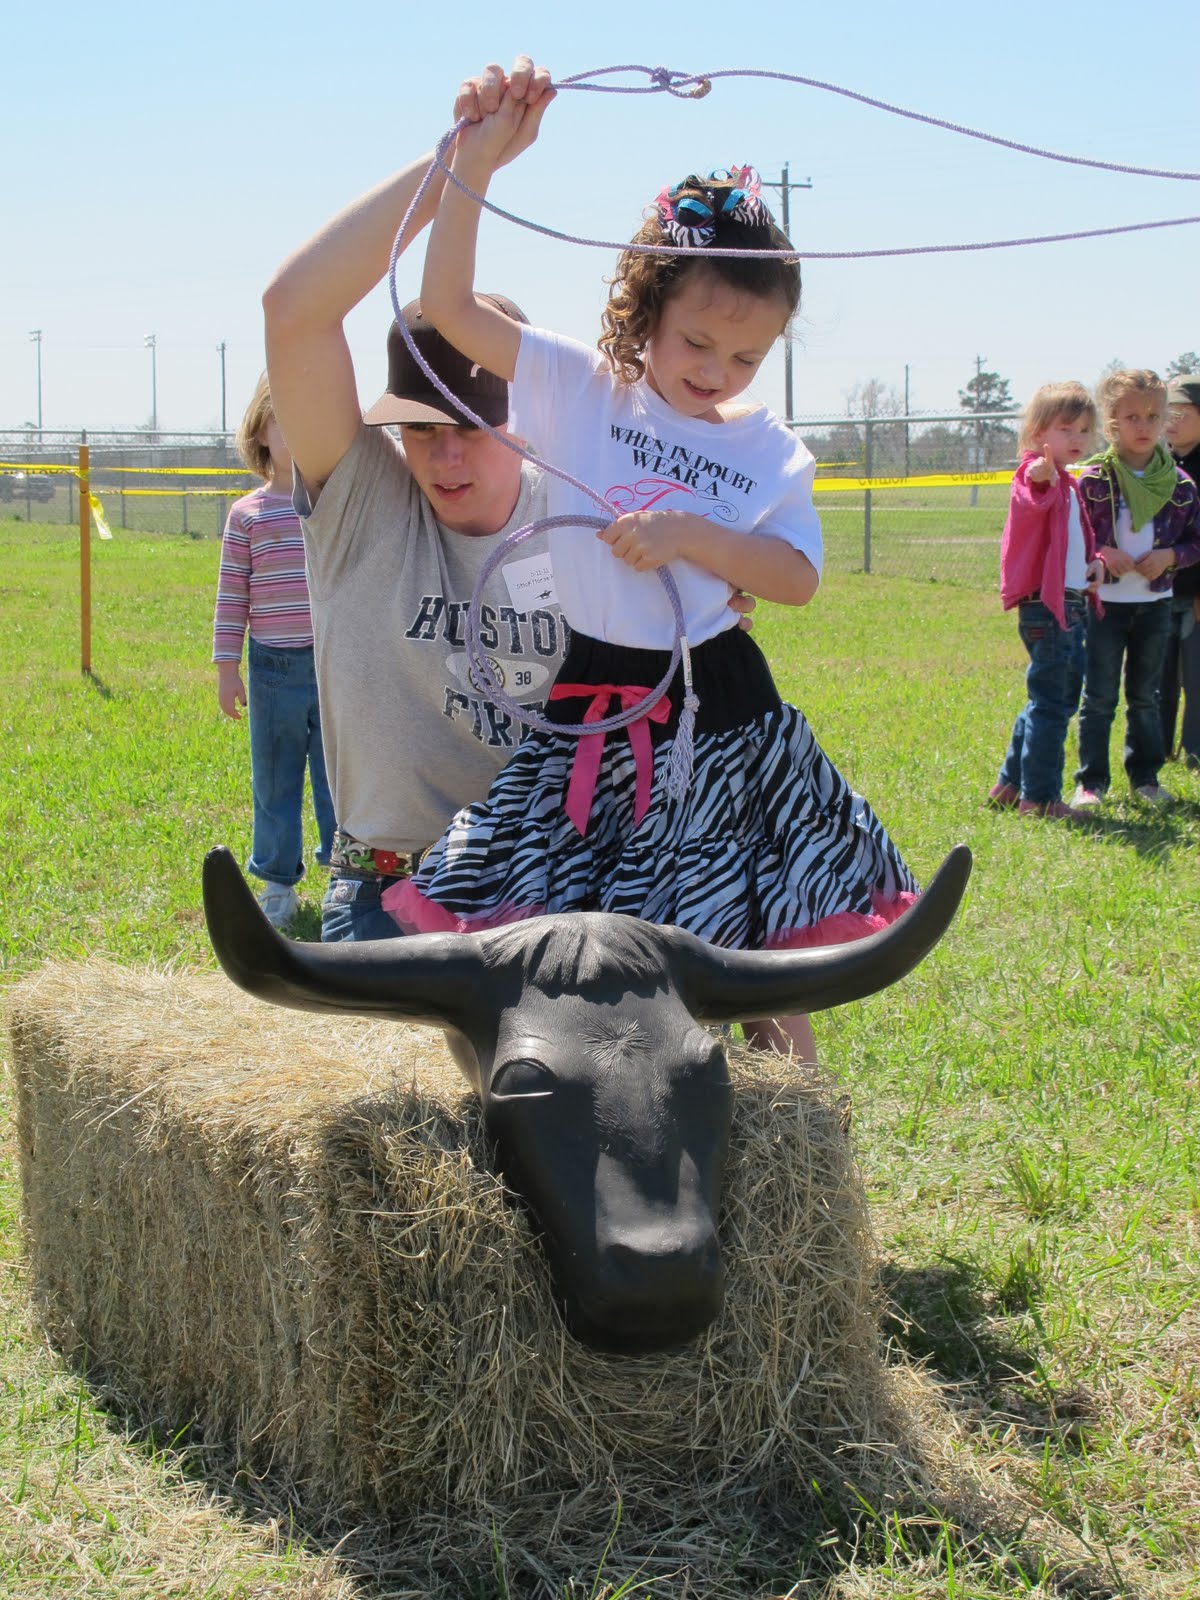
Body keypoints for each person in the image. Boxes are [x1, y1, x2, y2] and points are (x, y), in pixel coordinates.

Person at [385, 67, 919, 1062]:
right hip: (593, 698)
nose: (716, 372)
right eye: (697, 342)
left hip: (720, 710)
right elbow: (447, 304)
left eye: (746, 357)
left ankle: (803, 1131)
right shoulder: (584, 388)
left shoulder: (766, 448)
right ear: (647, 307)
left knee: (751, 943)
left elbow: (797, 577)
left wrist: (690, 536)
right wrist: (474, 166)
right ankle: (555, 1108)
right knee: (529, 932)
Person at [261, 62, 754, 945]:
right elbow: (292, 308)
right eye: (419, 430)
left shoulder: (590, 514)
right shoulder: (363, 505)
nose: (443, 456)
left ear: (523, 421)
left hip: (553, 888)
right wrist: (460, 162)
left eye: (470, 428)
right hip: (389, 893)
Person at [212, 374, 335, 929]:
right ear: (261, 432)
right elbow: (231, 596)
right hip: (272, 671)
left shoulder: (331, 504)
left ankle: (347, 877)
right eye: (282, 421)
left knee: (337, 780)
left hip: (331, 667)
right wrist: (226, 669)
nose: (295, 432)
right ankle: (278, 882)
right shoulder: (248, 515)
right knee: (275, 780)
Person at [1072, 369, 1200, 808]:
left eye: (1152, 417)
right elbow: (1075, 539)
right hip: (1104, 606)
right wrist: (1101, 552)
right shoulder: (1091, 480)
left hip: (1155, 604)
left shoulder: (1181, 486)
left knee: (1146, 697)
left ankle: (1145, 779)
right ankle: (1091, 783)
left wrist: (1170, 557)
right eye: (1131, 417)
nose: (1143, 426)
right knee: (1099, 696)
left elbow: (1195, 542)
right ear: (1111, 422)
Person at [988, 382, 1104, 820]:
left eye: (1084, 430)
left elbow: (1072, 543)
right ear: (1039, 434)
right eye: (1066, 429)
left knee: (1048, 699)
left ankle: (1009, 785)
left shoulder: (1069, 484)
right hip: (1050, 609)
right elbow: (1030, 498)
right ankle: (1040, 798)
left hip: (1068, 604)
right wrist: (1039, 477)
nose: (1077, 438)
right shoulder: (1037, 475)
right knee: (1053, 704)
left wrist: (1093, 565)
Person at [1161, 374, 1200, 765]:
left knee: (1197, 677)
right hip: (1158, 590)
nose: (1172, 420)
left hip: (1196, 595)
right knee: (1158, 679)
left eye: (1183, 411)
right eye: (1167, 411)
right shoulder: (1155, 466)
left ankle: (1195, 752)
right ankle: (1157, 750)